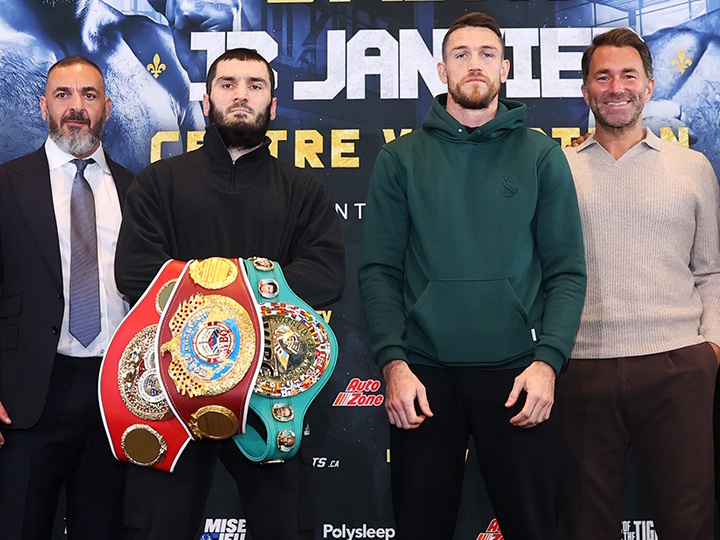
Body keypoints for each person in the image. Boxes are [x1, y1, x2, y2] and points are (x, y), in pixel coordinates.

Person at [357, 12, 586, 540]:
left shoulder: (542, 155)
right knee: (420, 528)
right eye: (461, 54)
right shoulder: (400, 158)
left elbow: (567, 272)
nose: (474, 64)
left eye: (487, 54)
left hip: (519, 375)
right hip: (422, 377)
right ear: (442, 71)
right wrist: (393, 365)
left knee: (535, 528)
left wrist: (548, 363)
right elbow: (379, 271)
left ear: (505, 69)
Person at [114, 47, 345, 540]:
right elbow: (134, 273)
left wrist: (223, 290)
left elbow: (326, 274)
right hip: (173, 389)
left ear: (273, 106)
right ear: (206, 100)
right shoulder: (158, 183)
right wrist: (257, 287)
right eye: (228, 84)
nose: (241, 95)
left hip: (272, 387)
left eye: (255, 86)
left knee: (285, 530)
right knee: (161, 530)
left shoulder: (303, 190)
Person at [558, 28, 720, 539]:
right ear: (586, 91)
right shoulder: (556, 171)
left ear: (649, 87)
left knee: (689, 521)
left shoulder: (692, 167)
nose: (616, 88)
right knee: (585, 525)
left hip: (678, 365)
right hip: (580, 367)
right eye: (602, 77)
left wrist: (711, 347)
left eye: (628, 76)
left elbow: (711, 270)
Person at [0, 56, 133, 539]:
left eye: (89, 95)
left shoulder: (138, 191)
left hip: (117, 396)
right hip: (26, 396)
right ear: (43, 107)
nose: (76, 107)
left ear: (107, 108)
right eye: (63, 95)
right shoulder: (5, 184)